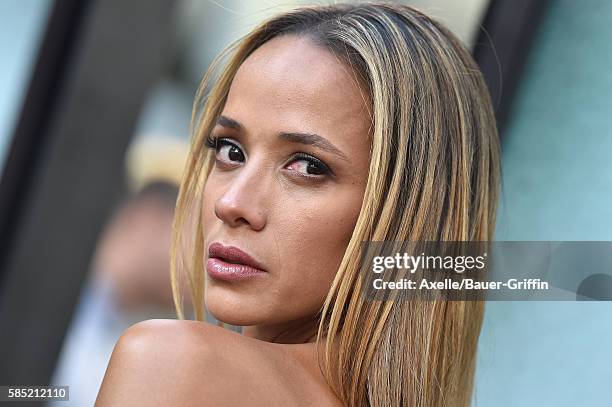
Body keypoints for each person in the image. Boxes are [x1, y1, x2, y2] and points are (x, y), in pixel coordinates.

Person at [95, 3, 501, 406]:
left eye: (307, 166)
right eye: (230, 151)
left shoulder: (174, 363)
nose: (232, 203)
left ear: (405, 219)